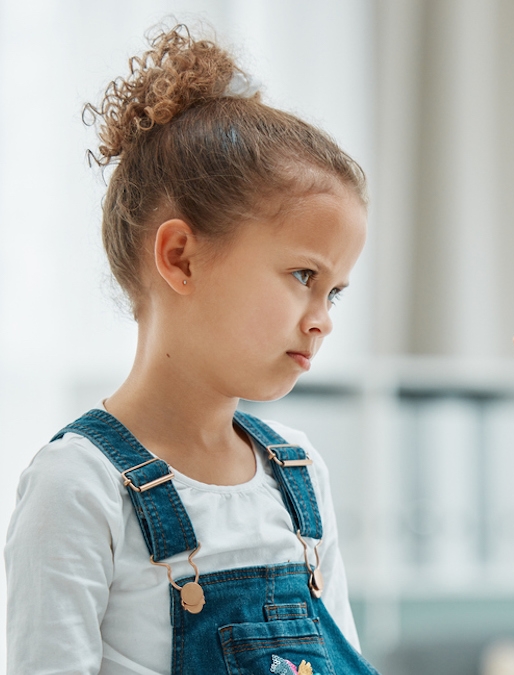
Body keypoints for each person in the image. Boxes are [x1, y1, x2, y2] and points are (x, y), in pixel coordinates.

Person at [6, 25, 378, 675]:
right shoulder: (78, 487)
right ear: (181, 257)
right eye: (303, 276)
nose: (322, 321)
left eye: (335, 292)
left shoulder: (299, 476)